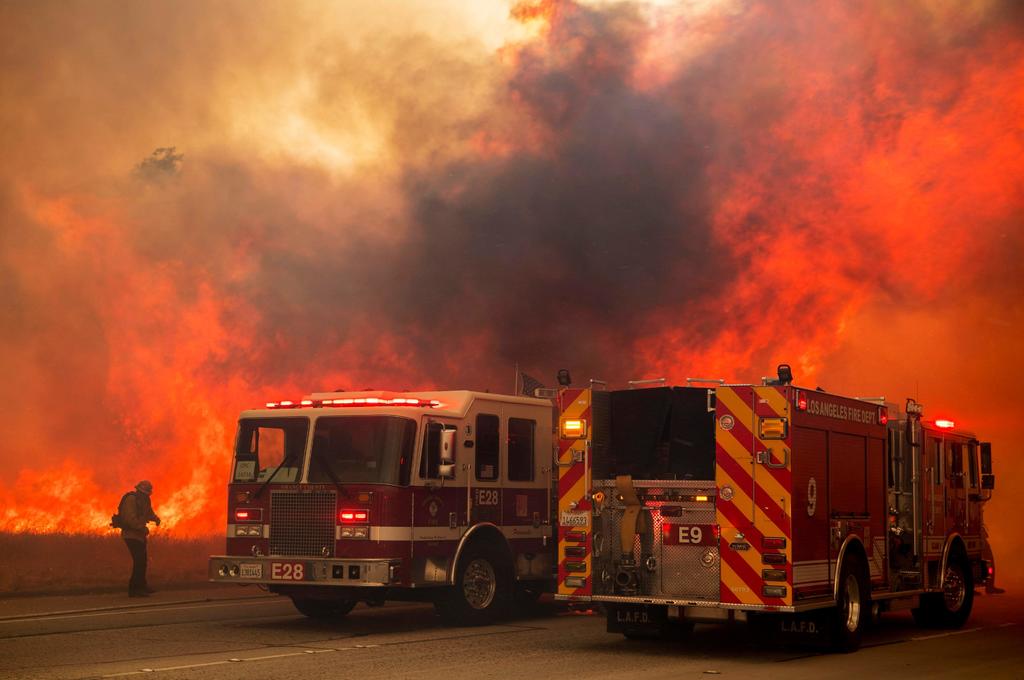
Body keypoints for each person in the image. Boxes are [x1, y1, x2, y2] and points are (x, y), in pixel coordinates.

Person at [119, 480, 161, 597]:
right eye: (145, 493)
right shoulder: (131, 500)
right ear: (139, 490)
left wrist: (156, 519)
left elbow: (148, 512)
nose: (146, 495)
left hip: (139, 536)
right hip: (131, 535)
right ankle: (134, 590)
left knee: (143, 561)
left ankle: (142, 586)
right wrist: (142, 528)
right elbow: (130, 519)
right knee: (139, 561)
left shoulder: (144, 500)